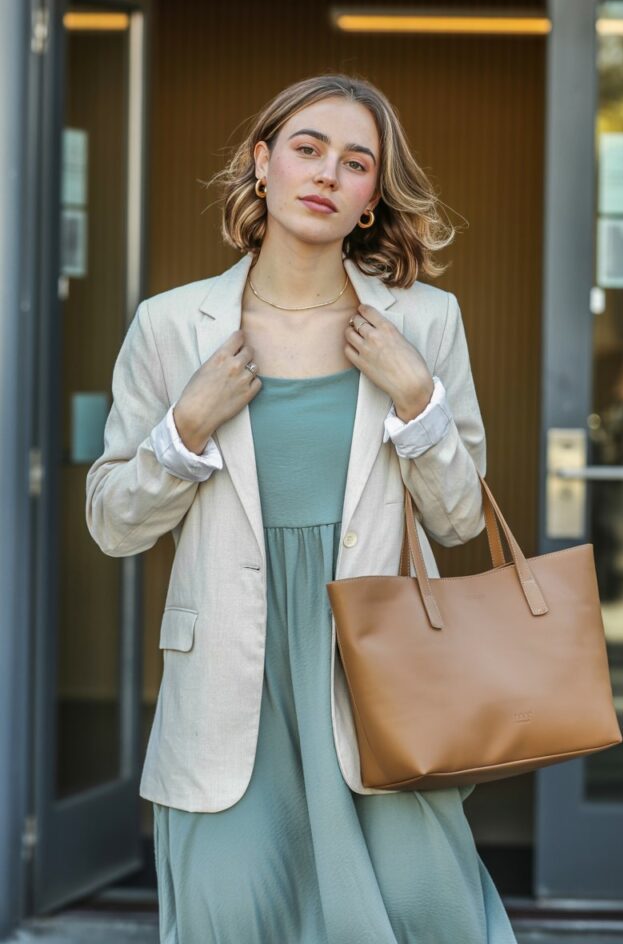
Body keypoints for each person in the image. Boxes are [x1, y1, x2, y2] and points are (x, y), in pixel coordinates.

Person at [86, 73, 517, 943]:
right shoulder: (174, 327)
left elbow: (459, 519)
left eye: (356, 163)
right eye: (308, 149)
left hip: (381, 680)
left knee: (425, 916)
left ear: (369, 200)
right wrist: (185, 426)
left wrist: (414, 399)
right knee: (235, 919)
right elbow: (113, 521)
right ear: (263, 164)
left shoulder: (424, 322)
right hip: (228, 690)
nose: (326, 174)